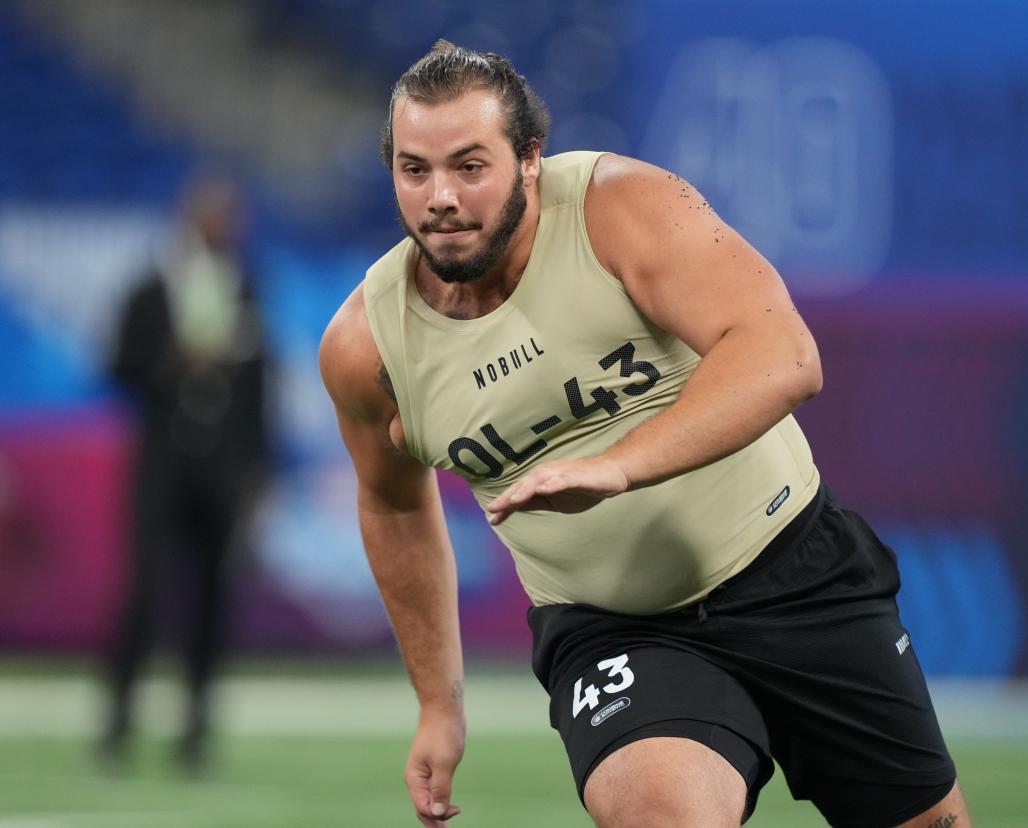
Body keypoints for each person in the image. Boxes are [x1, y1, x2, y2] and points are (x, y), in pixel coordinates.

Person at [320, 41, 970, 828]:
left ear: (530, 159)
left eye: (469, 165)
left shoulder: (618, 208)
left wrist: (622, 466)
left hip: (794, 571)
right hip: (612, 629)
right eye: (415, 170)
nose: (441, 198)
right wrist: (438, 705)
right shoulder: (368, 346)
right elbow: (393, 507)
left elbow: (784, 354)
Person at [99, 173, 269, 772]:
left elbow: (259, 388)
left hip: (221, 467)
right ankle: (117, 723)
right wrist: (169, 365)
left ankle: (196, 732)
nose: (225, 226)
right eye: (214, 214)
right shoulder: (151, 289)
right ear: (189, 217)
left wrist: (256, 469)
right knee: (144, 593)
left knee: (213, 600)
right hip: (163, 463)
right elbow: (116, 366)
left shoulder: (245, 287)